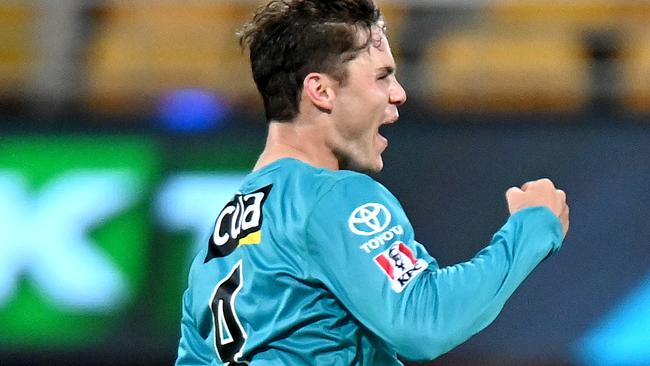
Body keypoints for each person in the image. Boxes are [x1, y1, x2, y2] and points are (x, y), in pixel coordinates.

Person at [175, 0, 570, 365]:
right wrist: (531, 227)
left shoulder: (213, 252)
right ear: (322, 91)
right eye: (382, 76)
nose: (398, 94)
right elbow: (423, 322)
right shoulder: (333, 197)